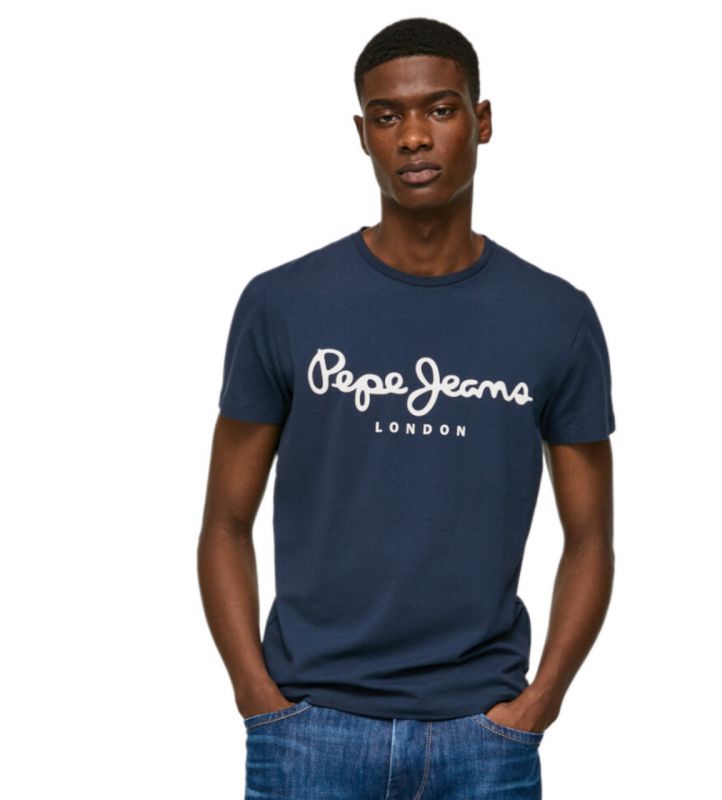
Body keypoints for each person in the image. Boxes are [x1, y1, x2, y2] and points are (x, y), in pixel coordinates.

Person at [197, 16, 616, 799]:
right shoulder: (283, 303)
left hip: (484, 740)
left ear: (481, 121)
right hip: (309, 731)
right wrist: (258, 697)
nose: (414, 137)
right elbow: (224, 521)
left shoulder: (554, 316)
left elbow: (591, 537)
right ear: (363, 135)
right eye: (387, 116)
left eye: (440, 109)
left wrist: (541, 702)